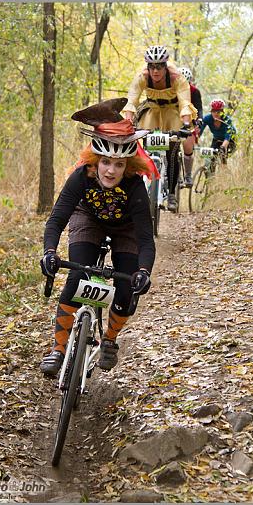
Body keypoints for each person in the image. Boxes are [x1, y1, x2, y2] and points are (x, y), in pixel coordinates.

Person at [39, 97, 156, 377]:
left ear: (127, 165)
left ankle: (110, 339)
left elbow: (145, 239)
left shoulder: (136, 188)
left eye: (118, 165)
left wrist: (143, 271)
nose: (110, 171)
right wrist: (49, 252)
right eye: (105, 162)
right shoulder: (81, 177)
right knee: (77, 276)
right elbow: (57, 218)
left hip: (125, 228)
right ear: (96, 161)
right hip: (88, 218)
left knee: (125, 287)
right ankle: (58, 348)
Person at [123, 45, 198, 212]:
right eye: (151, 67)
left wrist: (186, 125)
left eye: (159, 67)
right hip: (152, 112)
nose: (155, 71)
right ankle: (141, 188)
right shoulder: (142, 76)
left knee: (172, 152)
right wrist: (128, 122)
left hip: (173, 113)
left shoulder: (177, 78)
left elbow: (185, 102)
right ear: (147, 67)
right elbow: (132, 101)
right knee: (146, 150)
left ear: (165, 66)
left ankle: (171, 193)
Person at [179, 67, 204, 187]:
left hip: (189, 121)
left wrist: (199, 119)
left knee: (188, 147)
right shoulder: (171, 90)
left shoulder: (195, 91)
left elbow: (199, 108)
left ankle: (188, 175)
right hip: (173, 119)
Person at [199, 99, 237, 165]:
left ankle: (224, 171)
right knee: (211, 158)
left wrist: (223, 147)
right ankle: (210, 173)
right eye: (213, 111)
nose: (216, 113)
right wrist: (194, 140)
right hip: (217, 139)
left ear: (222, 112)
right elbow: (199, 131)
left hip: (229, 140)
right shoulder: (207, 118)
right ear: (211, 111)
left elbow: (227, 137)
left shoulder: (227, 120)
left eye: (218, 111)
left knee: (222, 156)